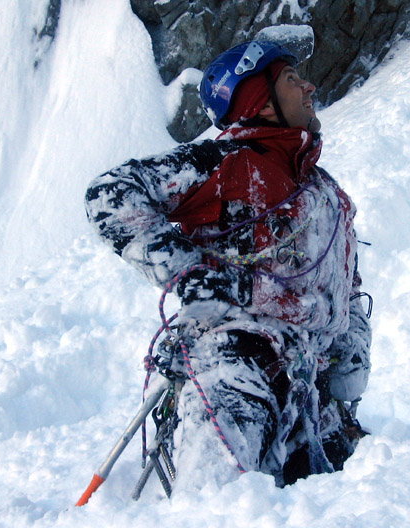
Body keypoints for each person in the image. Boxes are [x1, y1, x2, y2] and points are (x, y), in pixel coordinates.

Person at [84, 37, 372, 489]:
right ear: (260, 101)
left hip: (314, 402)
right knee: (215, 511)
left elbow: (346, 284)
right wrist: (191, 273)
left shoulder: (326, 192)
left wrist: (351, 345)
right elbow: (112, 195)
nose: (309, 86)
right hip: (234, 374)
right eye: (292, 80)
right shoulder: (223, 163)